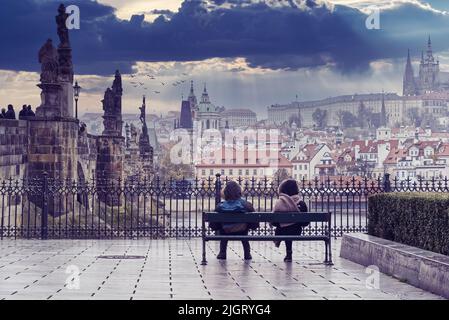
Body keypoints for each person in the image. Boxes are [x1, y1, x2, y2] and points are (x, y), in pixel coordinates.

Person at [210, 181, 258, 261]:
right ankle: (247, 253)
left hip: (226, 231)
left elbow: (213, 224)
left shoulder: (220, 206)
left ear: (225, 193)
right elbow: (255, 222)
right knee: (244, 227)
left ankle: (222, 253)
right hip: (242, 231)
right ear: (239, 192)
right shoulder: (246, 205)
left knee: (223, 229)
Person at [272, 179, 309, 262]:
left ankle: (288, 252)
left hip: (282, 232)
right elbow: (305, 222)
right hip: (296, 231)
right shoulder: (301, 203)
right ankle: (289, 252)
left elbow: (274, 222)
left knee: (285, 227)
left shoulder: (280, 203)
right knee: (290, 227)